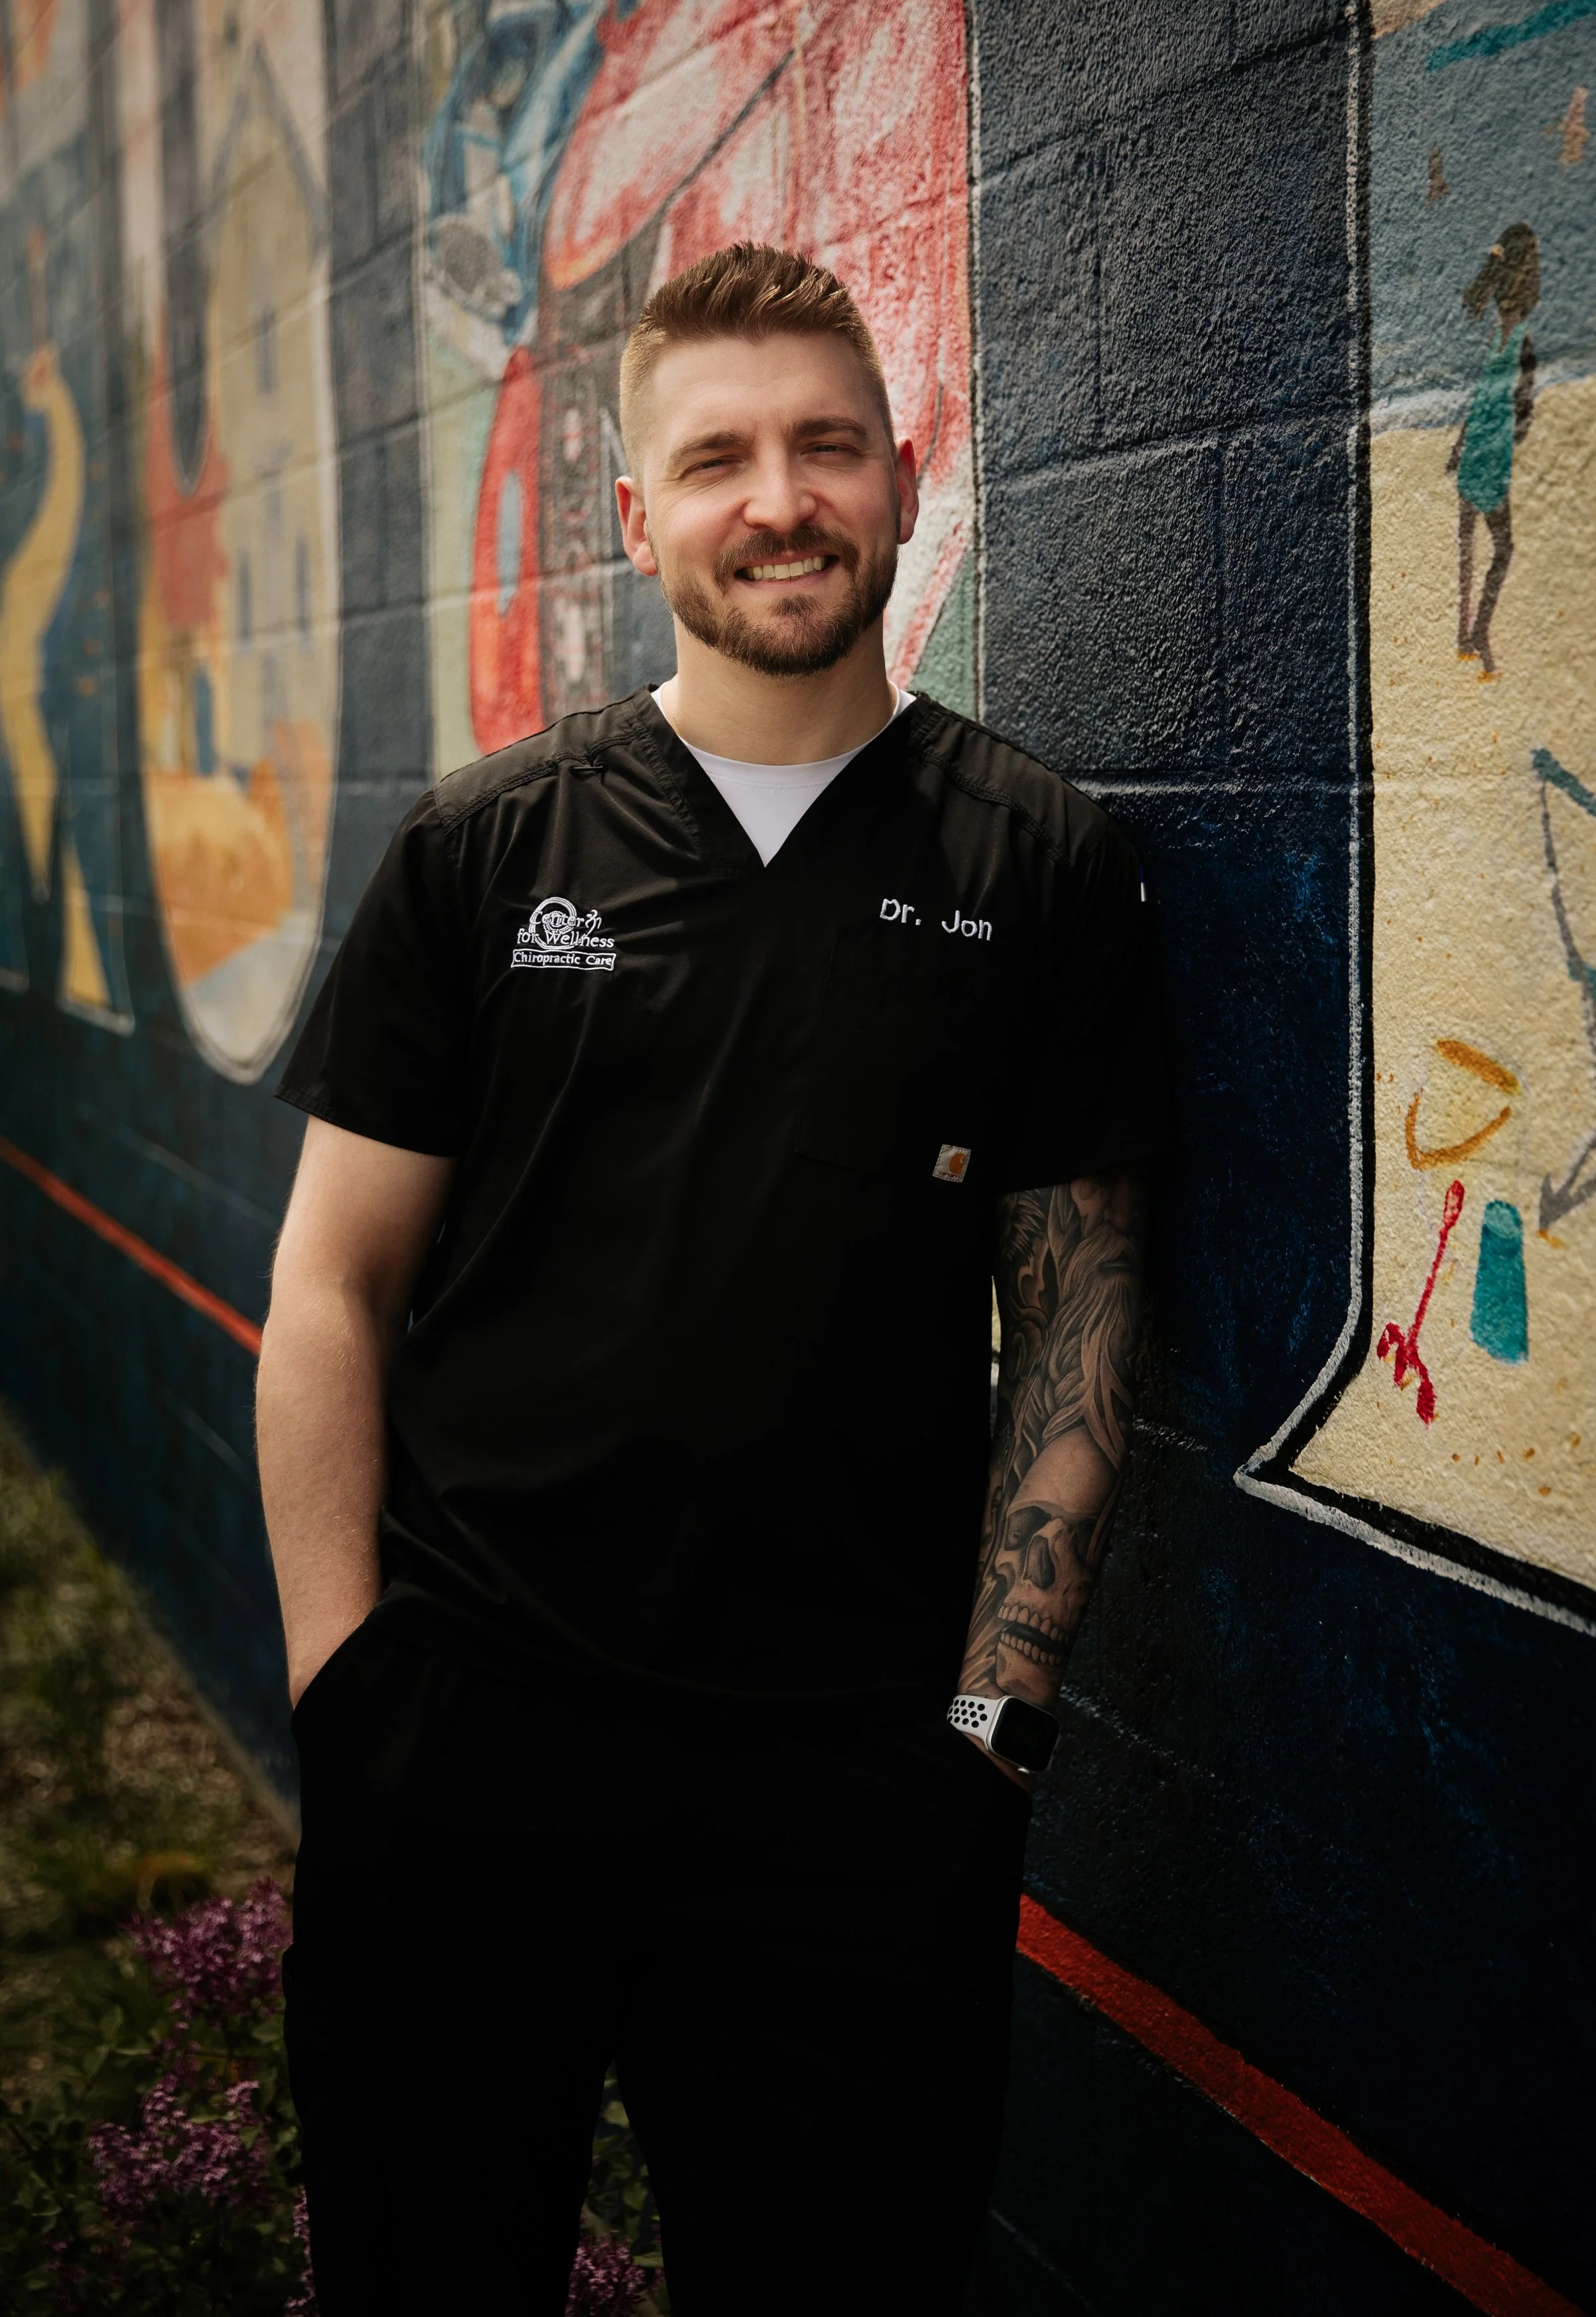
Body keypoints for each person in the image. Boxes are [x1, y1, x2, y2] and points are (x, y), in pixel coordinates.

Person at [258, 241, 1170, 2316]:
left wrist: (981, 1732)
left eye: (824, 444)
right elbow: (329, 1283)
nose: (779, 497)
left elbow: (1082, 1324)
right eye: (719, 456)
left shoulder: (1041, 863)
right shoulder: (486, 848)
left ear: (904, 475)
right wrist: (349, 1686)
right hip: (468, 1741)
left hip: (852, 1788)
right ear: (633, 514)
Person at [1449, 222, 1540, 679]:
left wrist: (1459, 445)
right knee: (1503, 548)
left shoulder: (1497, 336)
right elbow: (1520, 411)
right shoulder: (1519, 338)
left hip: (1474, 453)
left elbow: (1485, 396)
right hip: (1491, 454)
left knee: (1468, 545)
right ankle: (1479, 631)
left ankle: (1465, 634)